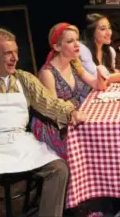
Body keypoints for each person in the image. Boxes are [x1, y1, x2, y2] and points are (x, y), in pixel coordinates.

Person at [0, 28, 87, 217]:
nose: (15, 58)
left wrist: (71, 112)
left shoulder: (23, 78)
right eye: (8, 53)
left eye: (16, 52)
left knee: (59, 170)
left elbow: (48, 103)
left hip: (21, 142)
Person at [31, 22, 107, 160]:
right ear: (57, 46)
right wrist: (74, 115)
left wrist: (100, 73)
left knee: (103, 138)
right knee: (89, 148)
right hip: (54, 125)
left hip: (72, 118)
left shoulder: (73, 64)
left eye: (77, 40)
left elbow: (97, 85)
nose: (77, 44)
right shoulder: (48, 73)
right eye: (70, 41)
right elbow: (54, 111)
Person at [80, 13, 120, 83]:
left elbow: (111, 72)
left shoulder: (110, 51)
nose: (109, 33)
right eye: (103, 29)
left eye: (109, 28)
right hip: (87, 93)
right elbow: (100, 77)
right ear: (91, 32)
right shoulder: (83, 50)